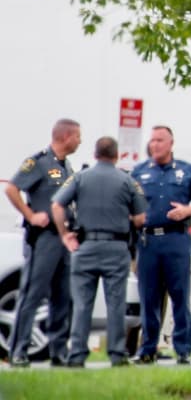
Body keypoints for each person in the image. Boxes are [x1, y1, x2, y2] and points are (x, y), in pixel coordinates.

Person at [50, 136, 146, 367]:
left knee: (82, 304)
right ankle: (116, 354)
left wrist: (65, 235)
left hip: (86, 247)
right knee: (115, 304)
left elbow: (56, 205)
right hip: (116, 247)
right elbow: (141, 219)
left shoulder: (80, 177)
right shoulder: (127, 181)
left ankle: (77, 355)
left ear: (95, 154)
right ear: (116, 156)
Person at [2, 118, 81, 367]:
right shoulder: (38, 162)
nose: (80, 141)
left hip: (64, 238)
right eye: (78, 136)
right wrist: (30, 215)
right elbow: (12, 189)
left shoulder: (66, 165)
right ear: (66, 136)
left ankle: (58, 351)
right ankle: (19, 350)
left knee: (62, 296)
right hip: (44, 239)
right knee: (32, 294)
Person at [131, 125, 191, 365]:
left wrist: (187, 211)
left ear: (171, 143)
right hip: (148, 240)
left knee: (180, 294)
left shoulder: (187, 171)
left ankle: (182, 349)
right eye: (152, 141)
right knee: (149, 296)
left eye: (160, 140)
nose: (155, 145)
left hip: (176, 239)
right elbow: (128, 205)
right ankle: (148, 348)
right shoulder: (139, 172)